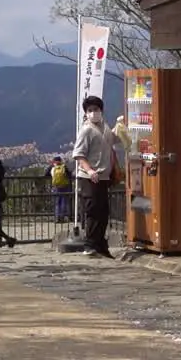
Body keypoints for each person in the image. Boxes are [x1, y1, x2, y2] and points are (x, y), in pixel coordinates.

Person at [73, 95, 119, 258]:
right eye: (90, 110)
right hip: (89, 177)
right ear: (86, 113)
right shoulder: (86, 130)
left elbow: (113, 140)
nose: (94, 113)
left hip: (104, 176)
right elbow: (78, 155)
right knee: (93, 210)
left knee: (103, 212)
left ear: (101, 110)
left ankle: (100, 245)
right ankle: (90, 244)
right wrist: (90, 170)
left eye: (96, 109)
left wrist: (121, 126)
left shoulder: (104, 127)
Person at [49, 155, 73, 223]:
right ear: (60, 161)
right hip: (65, 186)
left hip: (56, 187)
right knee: (63, 202)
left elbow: (45, 174)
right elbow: (69, 174)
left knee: (57, 203)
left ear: (54, 161)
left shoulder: (52, 167)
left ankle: (57, 217)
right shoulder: (64, 167)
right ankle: (62, 217)